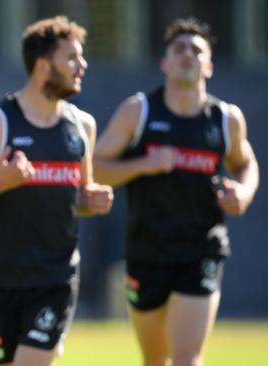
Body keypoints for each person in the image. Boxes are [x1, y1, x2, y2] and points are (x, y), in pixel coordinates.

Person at [0, 16, 113, 366]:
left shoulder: (83, 126)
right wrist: (1, 182)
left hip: (56, 277)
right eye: (72, 58)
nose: (82, 65)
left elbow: (78, 195)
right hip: (2, 277)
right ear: (42, 66)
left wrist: (91, 199)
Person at [93, 17, 259, 366]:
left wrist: (242, 193)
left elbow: (246, 163)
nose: (187, 54)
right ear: (164, 63)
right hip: (147, 250)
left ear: (209, 65)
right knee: (156, 360)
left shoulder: (226, 119)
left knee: (187, 358)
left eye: (196, 50)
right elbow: (96, 168)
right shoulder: (138, 111)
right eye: (178, 48)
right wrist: (145, 164)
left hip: (201, 248)